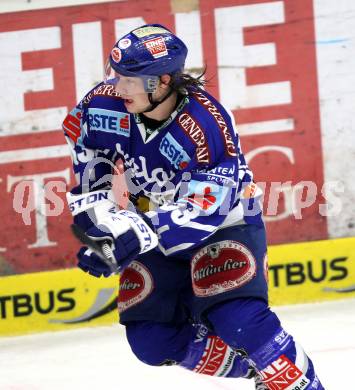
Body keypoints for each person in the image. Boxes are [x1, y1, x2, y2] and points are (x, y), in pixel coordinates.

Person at [63, 23, 324, 389]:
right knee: (151, 341)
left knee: (239, 320)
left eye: (129, 80)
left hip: (224, 223)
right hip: (150, 227)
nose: (117, 87)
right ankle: (256, 366)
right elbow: (92, 159)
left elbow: (206, 209)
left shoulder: (206, 124)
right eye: (116, 74)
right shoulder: (102, 104)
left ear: (162, 81)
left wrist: (134, 233)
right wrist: (101, 227)